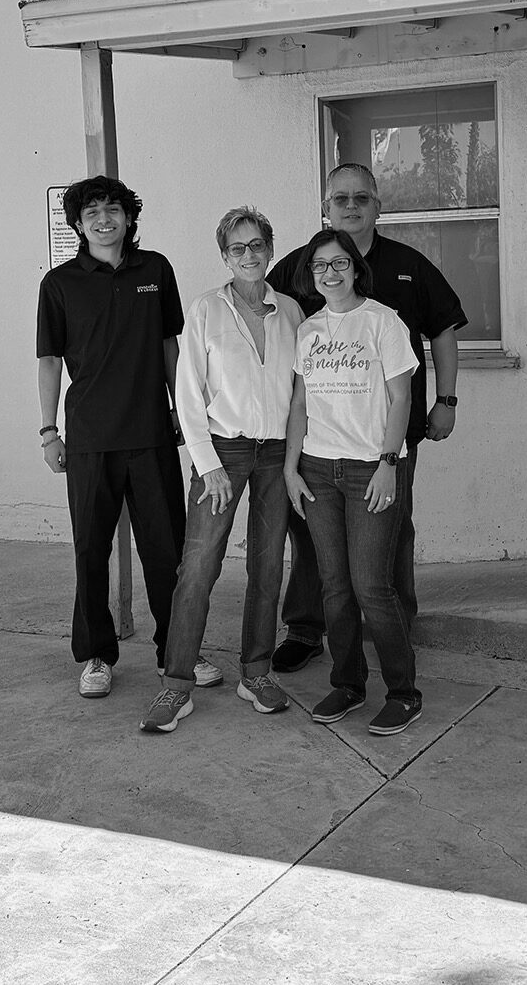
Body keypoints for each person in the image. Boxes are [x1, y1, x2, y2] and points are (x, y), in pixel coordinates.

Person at [266, 163, 465, 673]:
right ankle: (307, 629)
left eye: (361, 197)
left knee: (392, 530)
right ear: (325, 208)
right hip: (320, 445)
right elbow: (267, 326)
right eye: (339, 199)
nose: (350, 206)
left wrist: (446, 400)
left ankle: (392, 625)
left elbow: (443, 329)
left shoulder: (408, 265)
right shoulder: (297, 265)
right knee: (312, 537)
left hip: (386, 441)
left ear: (377, 205)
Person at [37, 175, 205, 700]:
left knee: (167, 548)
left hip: (152, 432)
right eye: (92, 213)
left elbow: (169, 344)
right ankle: (95, 655)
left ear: (129, 218)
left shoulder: (155, 269)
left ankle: (175, 652)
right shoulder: (59, 283)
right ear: (78, 224)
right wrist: (48, 431)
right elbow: (49, 361)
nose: (104, 220)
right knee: (91, 548)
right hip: (88, 436)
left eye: (113, 209)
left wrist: (183, 408)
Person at [140, 208, 303, 734]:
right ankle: (177, 684)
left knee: (267, 565)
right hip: (224, 453)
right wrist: (207, 464)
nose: (249, 255)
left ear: (270, 248)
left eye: (257, 245)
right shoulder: (207, 310)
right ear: (224, 256)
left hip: (277, 454)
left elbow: (301, 392)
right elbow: (188, 394)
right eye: (238, 248)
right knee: (198, 567)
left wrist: (297, 458)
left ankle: (256, 672)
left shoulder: (292, 311)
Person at [283, 231, 422, 734]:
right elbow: (300, 404)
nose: (331, 273)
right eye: (320, 265)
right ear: (310, 273)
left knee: (371, 587)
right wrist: (289, 468)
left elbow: (401, 399)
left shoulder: (383, 321)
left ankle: (404, 693)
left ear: (355, 266)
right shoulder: (309, 329)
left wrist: (390, 462)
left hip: (371, 467)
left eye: (340, 262)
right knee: (335, 587)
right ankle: (348, 682)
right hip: (318, 469)